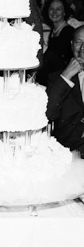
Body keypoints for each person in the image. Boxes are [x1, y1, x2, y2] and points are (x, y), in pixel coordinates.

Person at [46, 25, 84, 155]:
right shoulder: (58, 78)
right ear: (72, 45)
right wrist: (66, 76)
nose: (83, 48)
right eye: (78, 42)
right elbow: (47, 113)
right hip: (67, 150)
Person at [37, 0, 74, 86]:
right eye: (51, 9)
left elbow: (58, 59)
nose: (54, 12)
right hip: (53, 74)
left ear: (64, 12)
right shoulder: (54, 31)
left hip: (63, 77)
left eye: (58, 9)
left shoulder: (68, 32)